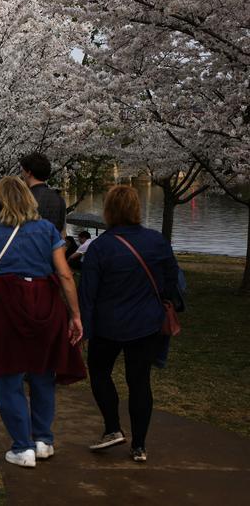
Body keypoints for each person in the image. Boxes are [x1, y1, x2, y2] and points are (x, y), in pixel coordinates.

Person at [0, 176, 85, 468]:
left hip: (4, 306)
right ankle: (43, 440)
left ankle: (22, 446)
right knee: (43, 373)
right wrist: (75, 314)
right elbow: (65, 274)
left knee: (8, 374)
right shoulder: (47, 230)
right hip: (45, 303)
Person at [79, 185, 182, 463]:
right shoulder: (156, 241)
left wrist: (84, 329)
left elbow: (87, 293)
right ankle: (139, 445)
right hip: (146, 322)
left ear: (109, 210)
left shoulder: (101, 247)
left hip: (108, 324)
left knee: (100, 372)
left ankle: (113, 427)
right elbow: (172, 280)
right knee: (139, 381)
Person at [20, 152, 67, 235]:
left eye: (23, 171)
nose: (22, 175)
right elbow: (61, 230)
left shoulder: (24, 198)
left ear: (29, 173)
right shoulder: (59, 199)